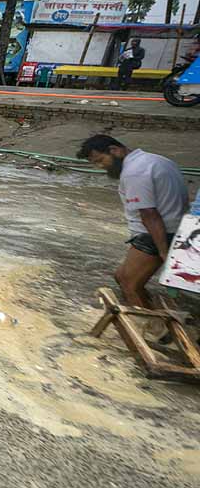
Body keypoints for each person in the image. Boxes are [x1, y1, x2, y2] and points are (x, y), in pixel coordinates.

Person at [77, 135, 189, 340]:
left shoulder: (134, 173)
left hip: (156, 234)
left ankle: (160, 334)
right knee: (121, 276)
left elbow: (149, 214)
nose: (101, 167)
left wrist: (163, 251)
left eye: (101, 161)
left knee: (129, 283)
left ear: (115, 150)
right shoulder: (157, 160)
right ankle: (157, 318)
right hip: (178, 227)